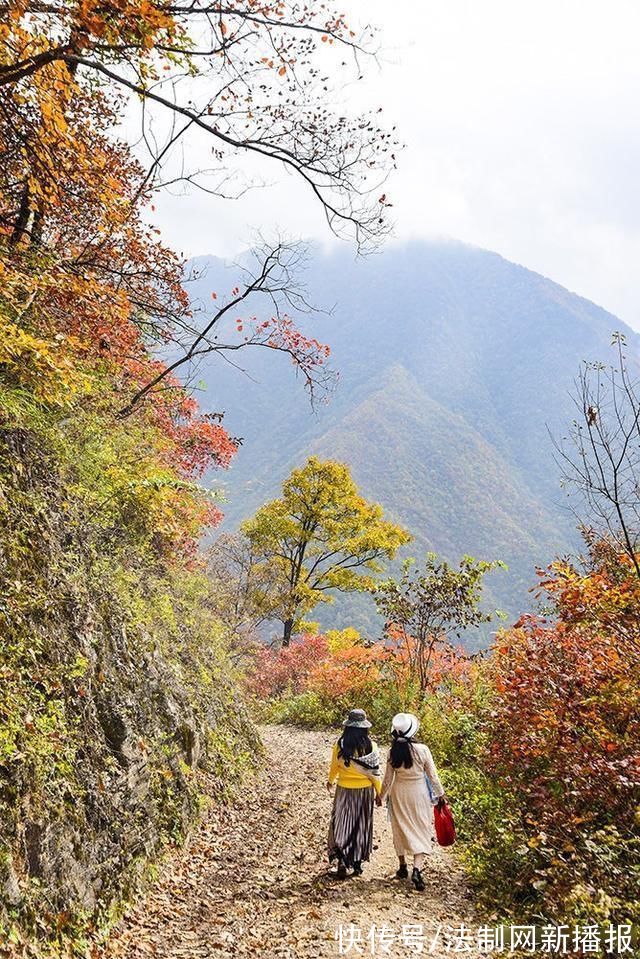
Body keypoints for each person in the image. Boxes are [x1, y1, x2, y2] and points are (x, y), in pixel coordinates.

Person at [377, 712, 446, 891]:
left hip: (398, 792)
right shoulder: (422, 750)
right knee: (420, 827)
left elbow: (387, 779)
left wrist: (380, 796)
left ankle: (402, 867)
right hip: (419, 793)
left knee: (399, 827)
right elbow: (433, 776)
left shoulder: (392, 752)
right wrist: (440, 794)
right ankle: (417, 869)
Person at [327, 708, 382, 878]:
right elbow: (375, 773)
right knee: (361, 825)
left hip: (344, 789)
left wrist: (330, 781)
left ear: (348, 727)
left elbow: (334, 765)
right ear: (365, 727)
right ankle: (357, 864)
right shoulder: (371, 746)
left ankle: (342, 860)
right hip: (364, 792)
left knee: (341, 823)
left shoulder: (341, 744)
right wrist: (379, 793)